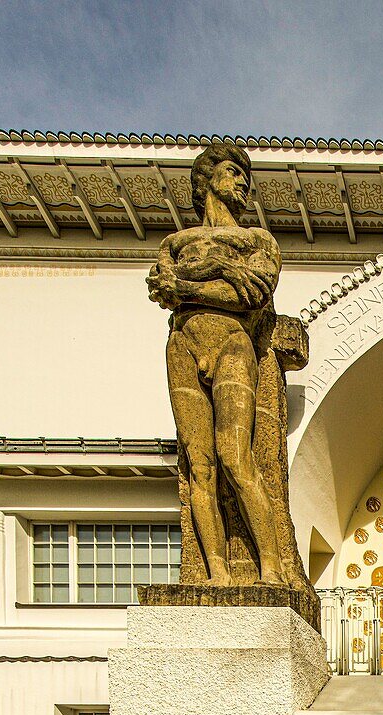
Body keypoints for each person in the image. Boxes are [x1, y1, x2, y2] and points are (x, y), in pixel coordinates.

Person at [147, 144, 284, 585]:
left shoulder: (258, 241)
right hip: (183, 344)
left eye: (245, 175)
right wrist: (210, 274)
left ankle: (272, 569)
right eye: (232, 171)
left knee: (235, 458)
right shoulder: (175, 243)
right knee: (199, 466)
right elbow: (161, 291)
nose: (242, 182)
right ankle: (216, 574)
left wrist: (189, 284)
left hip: (232, 342)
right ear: (207, 181)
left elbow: (250, 296)